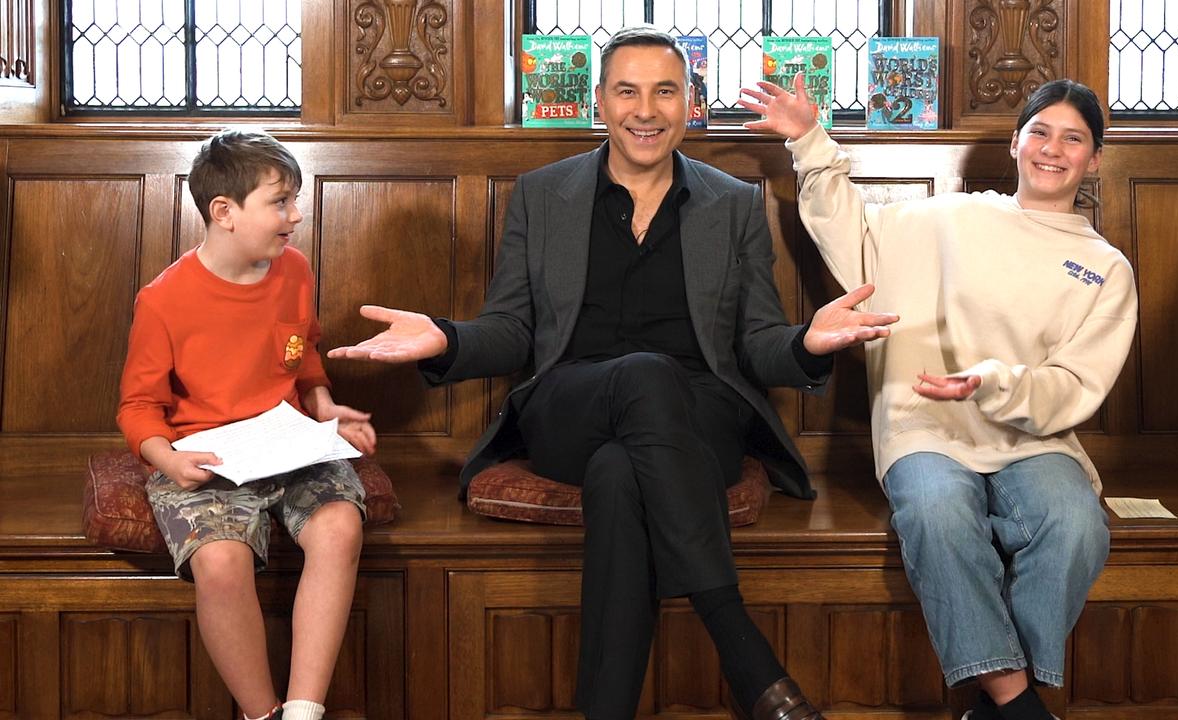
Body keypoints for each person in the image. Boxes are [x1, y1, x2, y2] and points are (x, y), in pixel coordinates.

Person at [329, 26, 896, 720]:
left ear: (691, 101)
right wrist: (443, 339)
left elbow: (755, 344)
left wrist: (809, 342)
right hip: (572, 405)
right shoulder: (543, 195)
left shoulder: (734, 203)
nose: (645, 110)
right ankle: (741, 647)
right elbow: (513, 331)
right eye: (627, 91)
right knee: (642, 377)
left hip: (697, 421)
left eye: (665, 91)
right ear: (600, 101)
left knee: (619, 472)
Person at [740, 77, 1137, 720]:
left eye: (1073, 139)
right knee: (935, 513)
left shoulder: (1105, 268)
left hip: (1033, 439)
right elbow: (856, 239)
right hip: (924, 423)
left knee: (1076, 524)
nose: (1052, 149)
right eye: (1039, 131)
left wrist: (991, 382)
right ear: (1015, 144)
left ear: (1094, 158)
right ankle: (1017, 702)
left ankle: (997, 702)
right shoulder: (950, 218)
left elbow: (1073, 384)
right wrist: (809, 140)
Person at [117, 129, 376, 720]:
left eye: (296, 200)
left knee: (339, 529)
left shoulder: (295, 270)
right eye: (280, 202)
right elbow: (137, 407)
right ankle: (263, 713)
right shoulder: (163, 300)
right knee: (221, 561)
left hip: (285, 444)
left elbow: (303, 352)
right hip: (203, 455)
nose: (296, 215)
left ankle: (304, 712)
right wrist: (168, 460)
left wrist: (325, 406)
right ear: (224, 212)